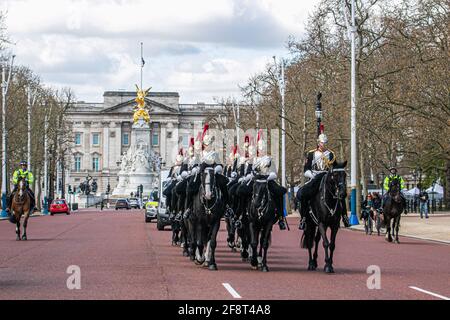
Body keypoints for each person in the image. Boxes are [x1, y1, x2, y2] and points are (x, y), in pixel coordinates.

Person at [296, 134, 350, 230]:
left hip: (327, 177)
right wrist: (312, 175)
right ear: (318, 143)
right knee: (304, 194)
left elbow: (335, 168)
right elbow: (306, 169)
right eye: (322, 143)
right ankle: (304, 218)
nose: (323, 145)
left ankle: (345, 217)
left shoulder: (331, 154)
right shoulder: (311, 154)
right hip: (315, 177)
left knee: (340, 194)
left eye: (325, 143)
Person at [253, 129, 287, 230]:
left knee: (280, 192)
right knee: (243, 192)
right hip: (257, 181)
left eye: (263, 148)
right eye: (260, 148)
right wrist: (254, 176)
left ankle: (281, 217)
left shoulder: (269, 159)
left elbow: (274, 173)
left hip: (267, 181)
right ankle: (240, 214)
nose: (262, 150)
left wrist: (267, 177)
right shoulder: (254, 159)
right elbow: (251, 171)